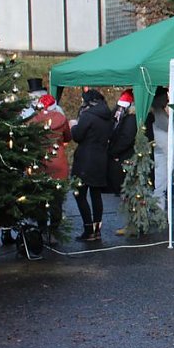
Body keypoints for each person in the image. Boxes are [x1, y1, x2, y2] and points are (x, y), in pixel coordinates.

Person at [70, 89, 113, 241]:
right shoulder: (108, 115)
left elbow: (77, 136)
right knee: (96, 195)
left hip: (85, 160)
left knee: (79, 194)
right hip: (101, 158)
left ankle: (88, 230)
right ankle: (97, 230)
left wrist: (73, 126)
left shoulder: (87, 116)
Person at [29, 94, 71, 243]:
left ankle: (41, 230)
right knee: (56, 199)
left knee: (41, 199)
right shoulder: (61, 119)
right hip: (58, 162)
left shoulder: (33, 120)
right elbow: (68, 137)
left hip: (40, 163)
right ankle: (54, 230)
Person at [145, 86, 173, 212]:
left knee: (159, 182)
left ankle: (157, 209)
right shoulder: (156, 114)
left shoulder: (156, 113)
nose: (167, 101)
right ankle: (158, 209)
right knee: (159, 182)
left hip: (160, 152)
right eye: (165, 98)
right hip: (160, 153)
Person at [106, 89, 137, 196]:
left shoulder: (130, 118)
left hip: (124, 155)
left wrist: (114, 151)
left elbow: (126, 137)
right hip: (122, 153)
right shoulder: (126, 116)